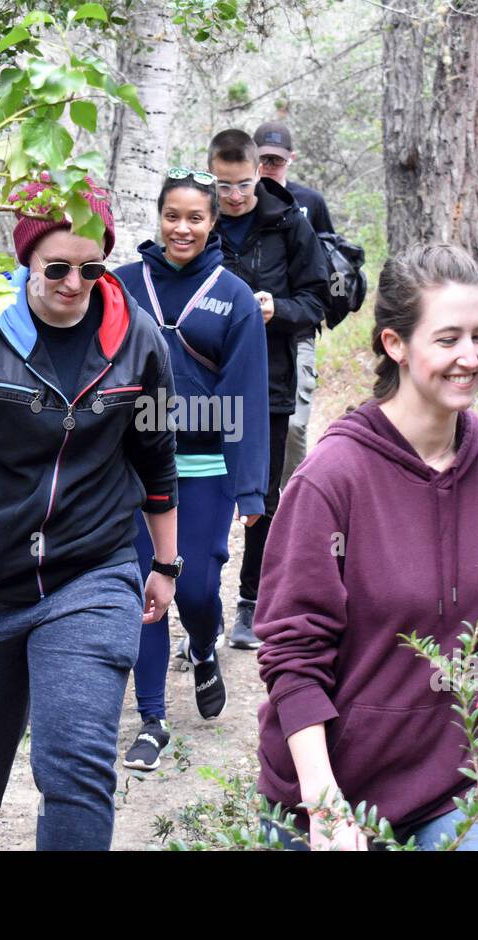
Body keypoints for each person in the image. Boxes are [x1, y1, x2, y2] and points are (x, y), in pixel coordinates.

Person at [254, 243, 478, 851]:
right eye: (447, 339)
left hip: (458, 777)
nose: (470, 357)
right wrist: (324, 803)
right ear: (395, 345)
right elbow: (291, 659)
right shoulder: (331, 480)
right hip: (334, 787)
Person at [0, 178, 181, 851]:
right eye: (56, 267)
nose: (74, 283)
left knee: (76, 765)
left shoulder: (139, 340)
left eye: (91, 267)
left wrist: (164, 562)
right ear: (27, 260)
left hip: (91, 572)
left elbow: (156, 457)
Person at [112, 168, 270, 770]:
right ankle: (152, 719)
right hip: (133, 471)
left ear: (213, 224)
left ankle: (203, 647)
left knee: (198, 588)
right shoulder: (122, 286)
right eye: (173, 215)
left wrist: (252, 487)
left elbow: (247, 399)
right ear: (159, 217)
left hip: (206, 469)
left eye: (196, 218)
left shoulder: (234, 296)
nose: (183, 227)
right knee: (144, 589)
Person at [206, 128, 329, 651]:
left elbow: (316, 301)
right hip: (203, 386)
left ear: (259, 173)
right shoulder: (197, 223)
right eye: (223, 186)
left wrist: (277, 310)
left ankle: (250, 604)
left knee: (261, 494)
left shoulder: (290, 223)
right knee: (202, 491)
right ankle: (200, 605)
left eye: (242, 185)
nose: (233, 196)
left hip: (270, 382)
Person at [253, 121, 334, 492]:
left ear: (291, 160)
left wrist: (288, 309)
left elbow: (323, 268)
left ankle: (293, 500)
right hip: (246, 338)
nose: (270, 166)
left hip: (296, 331)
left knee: (295, 426)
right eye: (263, 158)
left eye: (277, 160)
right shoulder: (239, 203)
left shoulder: (310, 204)